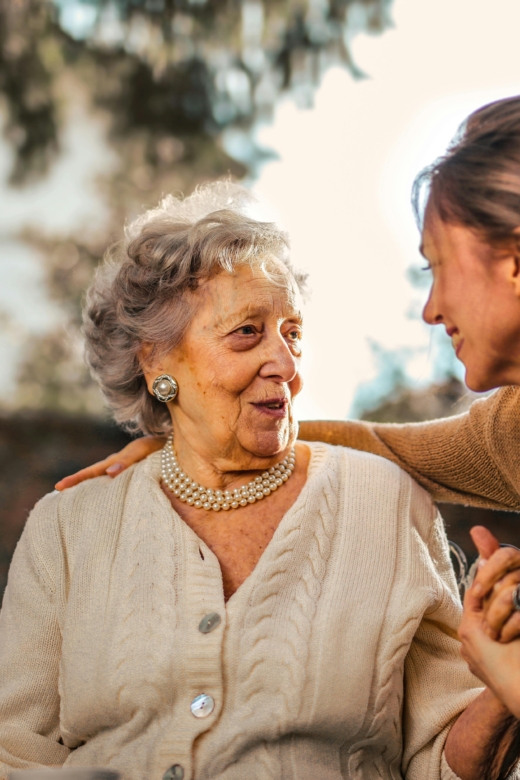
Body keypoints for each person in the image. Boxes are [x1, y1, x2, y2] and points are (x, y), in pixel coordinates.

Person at [0, 181, 516, 780]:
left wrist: (507, 691)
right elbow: (13, 755)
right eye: (247, 331)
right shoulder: (68, 526)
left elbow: (440, 762)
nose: (288, 364)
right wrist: (189, 435)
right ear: (155, 360)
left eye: (292, 333)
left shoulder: (385, 501)